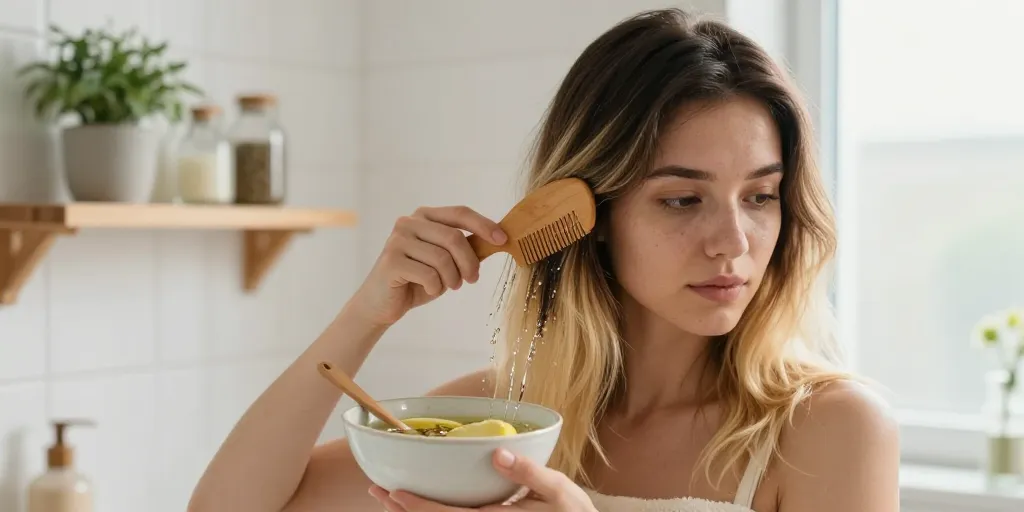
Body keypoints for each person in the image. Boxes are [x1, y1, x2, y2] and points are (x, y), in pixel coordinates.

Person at [188, 8, 900, 512]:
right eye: (683, 200)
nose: (733, 240)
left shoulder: (830, 429)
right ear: (589, 218)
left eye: (761, 196)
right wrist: (366, 312)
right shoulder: (501, 420)